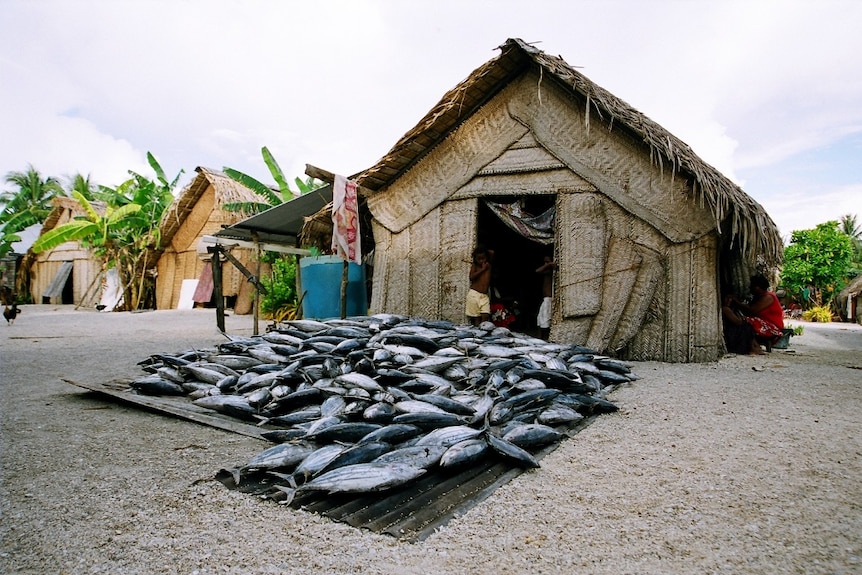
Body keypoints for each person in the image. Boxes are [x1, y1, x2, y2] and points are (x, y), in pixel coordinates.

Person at [732, 275, 785, 352]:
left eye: (752, 286)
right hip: (764, 323)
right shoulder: (759, 297)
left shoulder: (768, 297)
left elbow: (752, 310)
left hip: (773, 327)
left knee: (744, 321)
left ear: (758, 287)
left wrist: (736, 302)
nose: (750, 288)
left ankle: (754, 346)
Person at [466, 246, 494, 326]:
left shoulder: (488, 265)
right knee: (476, 317)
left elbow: (492, 252)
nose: (481, 261)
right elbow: (471, 277)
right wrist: (482, 270)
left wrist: (483, 251)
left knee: (485, 315)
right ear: (475, 258)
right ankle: (478, 335)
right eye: (479, 259)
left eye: (483, 258)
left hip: (484, 295)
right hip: (474, 294)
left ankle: (482, 330)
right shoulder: (475, 266)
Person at [535, 255, 556, 339]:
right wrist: (548, 264)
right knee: (540, 319)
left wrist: (549, 264)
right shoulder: (547, 271)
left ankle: (546, 338)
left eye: (547, 262)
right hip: (545, 299)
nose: (545, 264)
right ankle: (539, 338)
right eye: (545, 262)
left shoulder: (552, 271)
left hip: (549, 299)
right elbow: (537, 271)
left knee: (546, 320)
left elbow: (538, 271)